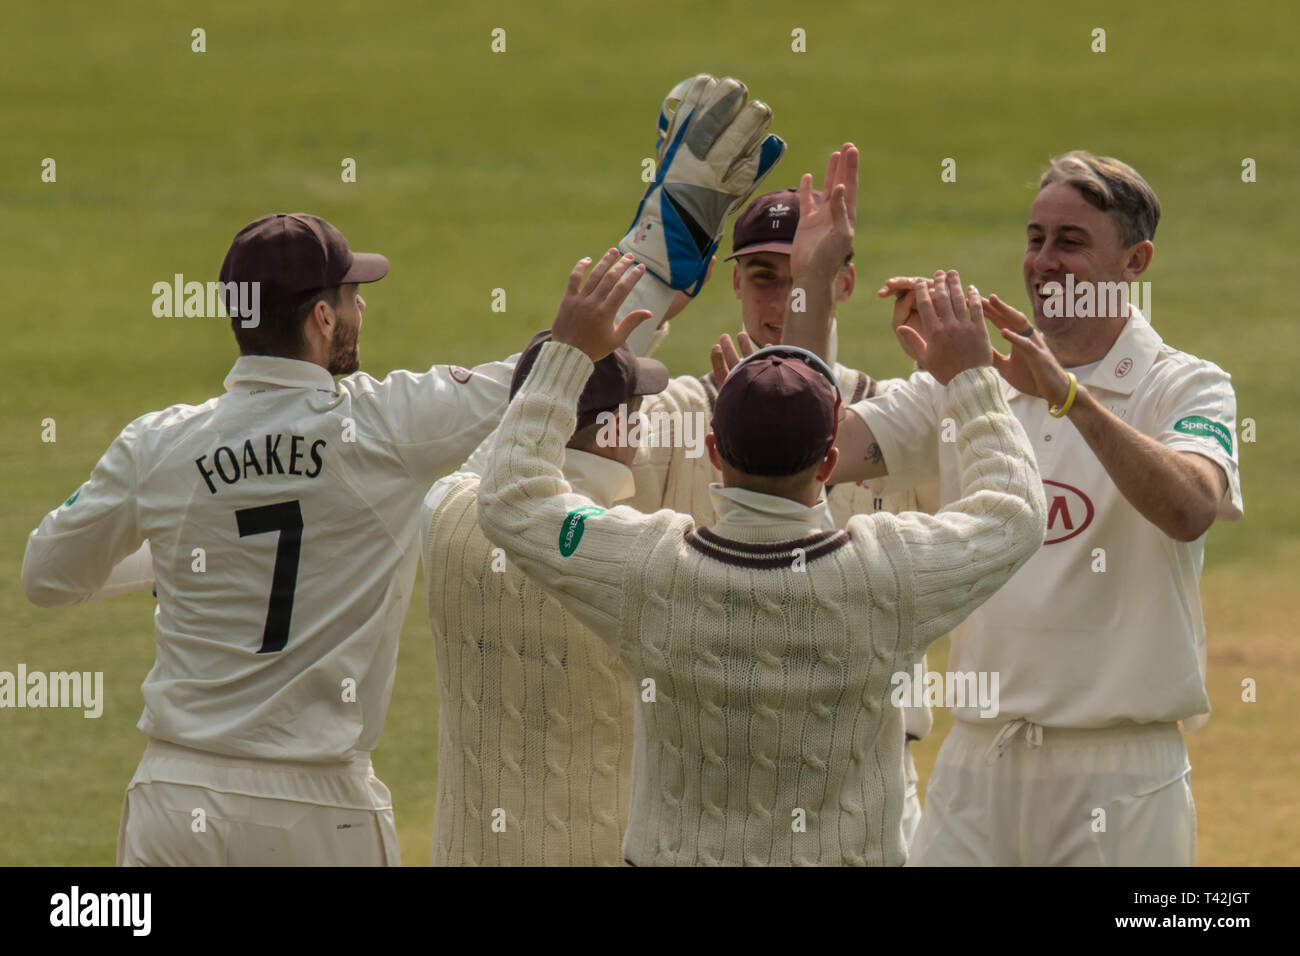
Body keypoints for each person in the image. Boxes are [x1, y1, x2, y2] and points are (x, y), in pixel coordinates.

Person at [474, 177, 1048, 865]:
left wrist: (566, 353)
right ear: (833, 458)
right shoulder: (889, 572)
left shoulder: (649, 570)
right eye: (764, 278)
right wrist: (973, 380)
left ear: (714, 450)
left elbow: (512, 496)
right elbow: (1015, 512)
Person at [21, 213, 522, 866]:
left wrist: (176, 555)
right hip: (322, 811)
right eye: (350, 296)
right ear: (322, 318)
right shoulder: (385, 428)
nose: (361, 305)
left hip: (177, 798)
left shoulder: (158, 444)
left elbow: (48, 577)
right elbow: (556, 376)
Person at [831, 151, 1244, 865]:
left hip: (1119, 774)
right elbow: (819, 452)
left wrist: (1067, 397)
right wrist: (817, 285)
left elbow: (1192, 507)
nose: (1044, 261)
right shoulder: (968, 386)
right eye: (1035, 238)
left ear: (1135, 262)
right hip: (973, 766)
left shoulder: (1187, 387)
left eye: (1071, 242)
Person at [625, 146, 940, 847]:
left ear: (844, 281)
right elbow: (578, 457)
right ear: (735, 287)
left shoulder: (892, 415)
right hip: (709, 782)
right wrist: (647, 303)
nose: (779, 300)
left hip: (871, 778)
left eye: (800, 277)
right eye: (763, 278)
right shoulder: (681, 410)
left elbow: (1005, 512)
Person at [421, 332, 668, 866]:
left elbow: (497, 458)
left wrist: (567, 352)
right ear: (612, 428)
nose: (642, 421)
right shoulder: (638, 554)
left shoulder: (443, 510)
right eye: (635, 408)